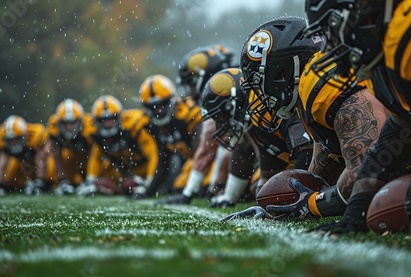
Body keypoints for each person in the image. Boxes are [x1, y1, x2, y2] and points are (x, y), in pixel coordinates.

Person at [303, 0, 411, 234]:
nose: (327, 48)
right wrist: (356, 214)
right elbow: (390, 146)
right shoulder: (383, 67)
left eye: (331, 30)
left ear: (362, 14)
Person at [222, 15, 388, 221]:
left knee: (391, 204)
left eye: (260, 82)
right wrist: (273, 210)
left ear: (283, 72)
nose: (261, 95)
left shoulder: (321, 83)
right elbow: (317, 179)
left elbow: (371, 169)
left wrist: (313, 205)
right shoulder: (307, 98)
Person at [200, 68, 314, 207]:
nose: (221, 124)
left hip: (329, 165)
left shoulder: (277, 108)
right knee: (262, 192)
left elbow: (308, 152)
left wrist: (297, 192)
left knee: (267, 190)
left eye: (222, 116)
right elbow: (267, 175)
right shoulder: (256, 122)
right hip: (298, 165)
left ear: (235, 104)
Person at [157, 45, 238, 204]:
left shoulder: (229, 94)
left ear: (205, 77)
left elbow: (207, 148)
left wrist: (189, 193)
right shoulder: (231, 90)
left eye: (192, 84)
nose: (190, 91)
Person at [76, 95, 158, 196]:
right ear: (96, 121)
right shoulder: (97, 135)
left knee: (129, 185)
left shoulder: (132, 128)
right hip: (124, 171)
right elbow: (96, 158)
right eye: (103, 120)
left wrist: (150, 181)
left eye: (111, 119)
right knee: (107, 175)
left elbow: (154, 155)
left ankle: (147, 183)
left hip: (143, 167)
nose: (108, 124)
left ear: (119, 117)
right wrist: (90, 180)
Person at [0, 115, 53, 195]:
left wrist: (40, 182)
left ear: (24, 136)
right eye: (11, 140)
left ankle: (40, 183)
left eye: (16, 139)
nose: (13, 143)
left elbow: (42, 156)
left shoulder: (36, 136)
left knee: (43, 157)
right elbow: (2, 164)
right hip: (20, 164)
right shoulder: (0, 139)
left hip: (35, 165)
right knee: (10, 177)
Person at [46, 98, 94, 195]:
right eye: (65, 123)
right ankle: (63, 182)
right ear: (59, 122)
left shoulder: (89, 127)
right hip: (69, 158)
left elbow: (94, 153)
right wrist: (62, 180)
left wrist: (89, 177)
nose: (69, 127)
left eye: (73, 123)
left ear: (80, 121)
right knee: (50, 170)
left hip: (87, 158)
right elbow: (56, 153)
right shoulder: (54, 128)